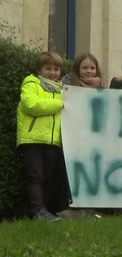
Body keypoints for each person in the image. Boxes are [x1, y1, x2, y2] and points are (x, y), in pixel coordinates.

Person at [16, 51, 70, 221]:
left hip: (52, 141)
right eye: (48, 68)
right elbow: (31, 105)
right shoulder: (31, 83)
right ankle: (38, 211)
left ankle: (43, 211)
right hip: (32, 140)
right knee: (36, 177)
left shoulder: (62, 89)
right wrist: (61, 104)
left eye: (56, 69)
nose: (53, 72)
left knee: (47, 178)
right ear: (39, 70)